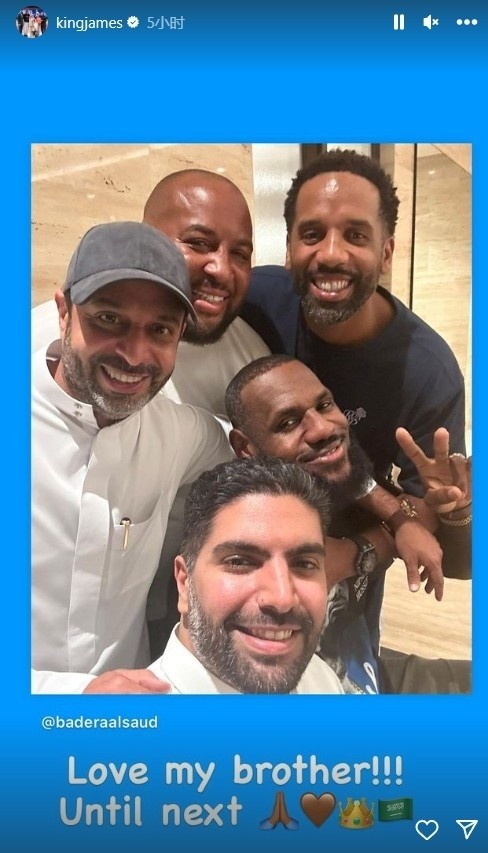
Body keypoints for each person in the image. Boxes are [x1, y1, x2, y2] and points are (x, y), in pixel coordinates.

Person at [32, 221, 233, 694]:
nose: (135, 354)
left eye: (160, 330)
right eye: (108, 319)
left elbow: (253, 445)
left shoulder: (177, 432)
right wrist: (72, 696)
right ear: (63, 312)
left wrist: (391, 512)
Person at [225, 356, 471, 693]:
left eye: (325, 405)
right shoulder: (242, 543)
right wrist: (393, 531)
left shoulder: (344, 486)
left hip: (370, 677)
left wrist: (453, 510)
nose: (323, 429)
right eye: (288, 423)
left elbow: (458, 562)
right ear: (245, 447)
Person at [241, 149, 467, 498]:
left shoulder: (428, 373)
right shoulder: (254, 299)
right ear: (288, 249)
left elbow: (428, 502)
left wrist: (451, 512)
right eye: (312, 234)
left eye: (356, 235)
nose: (331, 254)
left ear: (386, 254)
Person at [148, 457, 343, 693]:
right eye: (239, 562)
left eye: (304, 563)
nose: (282, 599)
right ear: (184, 583)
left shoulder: (319, 679)